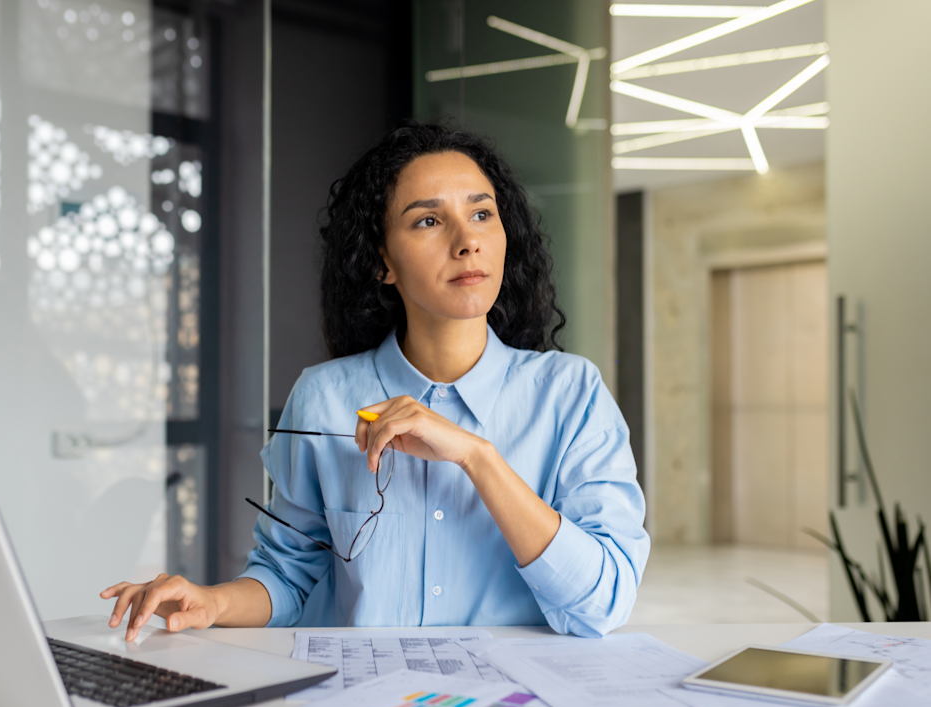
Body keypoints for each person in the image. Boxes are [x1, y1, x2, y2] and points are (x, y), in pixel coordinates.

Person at [102, 122, 647, 639]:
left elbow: (604, 602)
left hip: (515, 697)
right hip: (366, 694)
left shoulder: (571, 394)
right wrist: (213, 602)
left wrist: (476, 457)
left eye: (482, 214)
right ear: (382, 260)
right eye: (428, 221)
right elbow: (289, 576)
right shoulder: (322, 398)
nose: (467, 241)